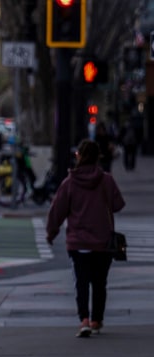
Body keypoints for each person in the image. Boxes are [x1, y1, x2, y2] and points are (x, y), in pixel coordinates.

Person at [46, 139, 125, 338]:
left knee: (81, 283)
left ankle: (84, 321)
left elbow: (57, 211)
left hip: (78, 241)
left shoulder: (69, 183)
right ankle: (97, 320)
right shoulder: (106, 180)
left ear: (78, 156)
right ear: (98, 157)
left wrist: (51, 232)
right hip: (103, 241)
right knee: (99, 283)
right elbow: (118, 205)